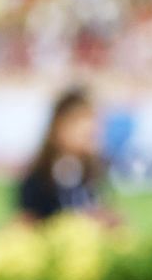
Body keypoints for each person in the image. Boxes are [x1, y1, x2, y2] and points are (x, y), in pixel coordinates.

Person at [14, 88, 122, 227]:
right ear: (60, 127)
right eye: (82, 122)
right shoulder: (40, 176)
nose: (92, 129)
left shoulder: (93, 174)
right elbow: (25, 223)